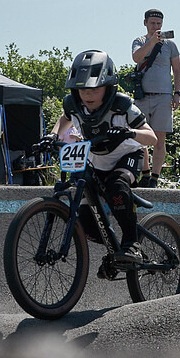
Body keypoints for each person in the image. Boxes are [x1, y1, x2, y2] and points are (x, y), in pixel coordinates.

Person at [42, 50, 157, 265]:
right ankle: (116, 253)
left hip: (126, 155)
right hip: (96, 160)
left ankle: (132, 243)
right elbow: (64, 118)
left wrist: (130, 133)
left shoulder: (123, 105)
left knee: (116, 186)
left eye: (94, 89)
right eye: (82, 89)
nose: (88, 95)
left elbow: (152, 138)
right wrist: (52, 135)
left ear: (108, 86)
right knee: (85, 218)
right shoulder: (73, 104)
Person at [132, 8, 180, 188]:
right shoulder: (139, 41)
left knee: (160, 139)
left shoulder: (170, 45)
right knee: (141, 137)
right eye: (152, 23)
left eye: (159, 23)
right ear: (145, 23)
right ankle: (144, 173)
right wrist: (151, 42)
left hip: (163, 96)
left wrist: (177, 93)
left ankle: (154, 176)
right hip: (142, 96)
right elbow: (136, 58)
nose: (156, 26)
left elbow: (177, 70)